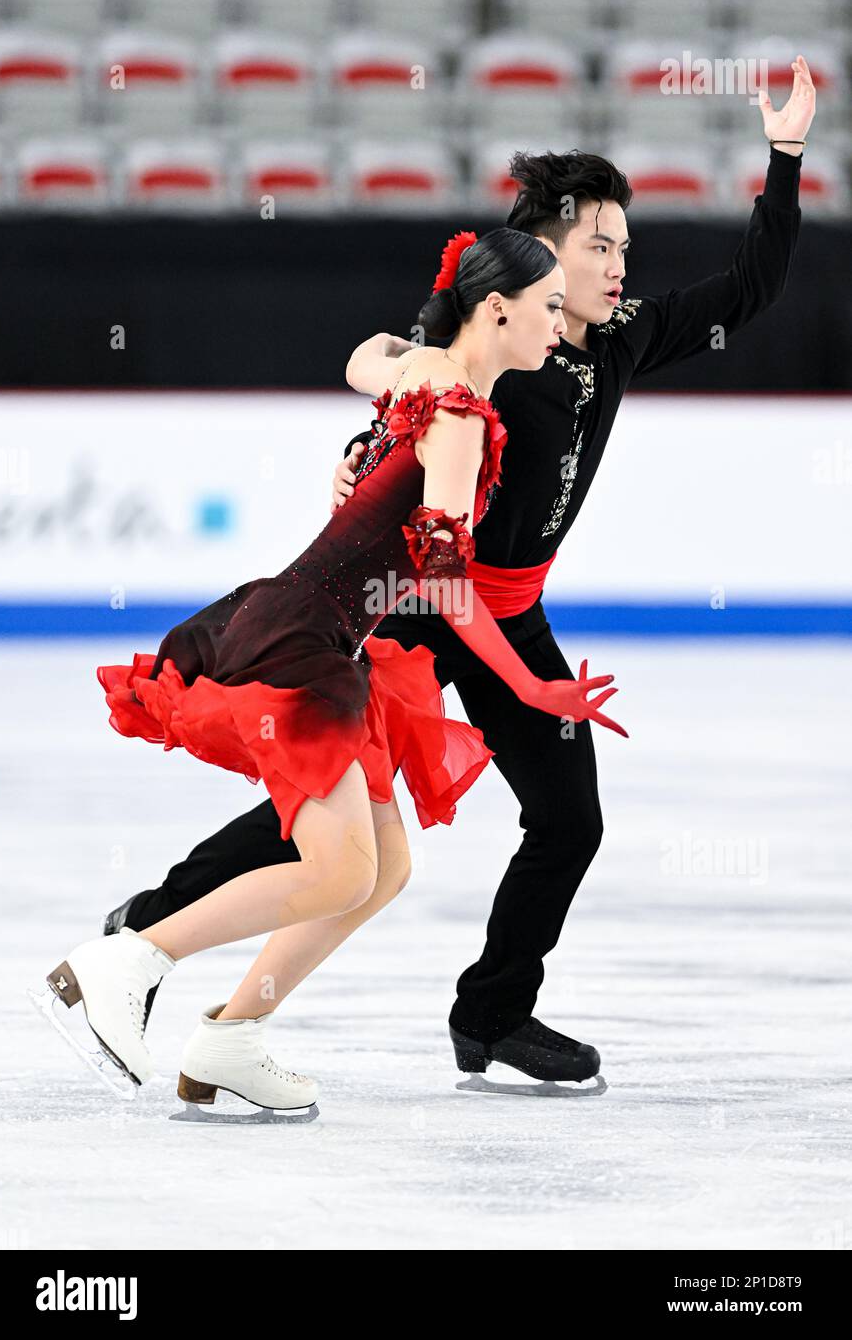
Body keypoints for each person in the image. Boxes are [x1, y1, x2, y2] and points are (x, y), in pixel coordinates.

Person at [102, 58, 814, 1088]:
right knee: (330, 802)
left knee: (567, 816)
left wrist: (782, 156)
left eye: (625, 247)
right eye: (597, 247)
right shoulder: (490, 335)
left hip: (508, 612)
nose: (618, 267)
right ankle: (156, 923)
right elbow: (404, 390)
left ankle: (490, 1014)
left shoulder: (618, 341)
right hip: (421, 606)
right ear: (540, 256)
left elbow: (751, 286)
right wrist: (360, 443)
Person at [42, 228, 626, 1112]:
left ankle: (232, 1036)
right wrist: (533, 686)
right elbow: (444, 582)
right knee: (342, 870)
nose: (560, 324)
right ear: (498, 310)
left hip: (327, 634)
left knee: (383, 867)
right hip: (306, 643)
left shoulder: (429, 374)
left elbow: (367, 364)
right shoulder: (462, 417)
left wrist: (362, 466)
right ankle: (128, 959)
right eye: (548, 307)